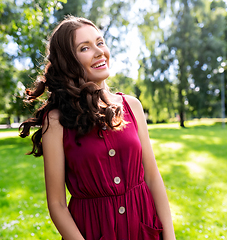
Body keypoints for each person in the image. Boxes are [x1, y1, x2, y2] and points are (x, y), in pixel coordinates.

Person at [19, 16, 176, 240]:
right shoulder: (55, 121)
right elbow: (56, 204)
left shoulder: (131, 106)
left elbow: (152, 177)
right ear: (68, 61)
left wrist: (169, 237)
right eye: (85, 48)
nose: (99, 51)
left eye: (100, 42)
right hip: (91, 232)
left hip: (144, 227)